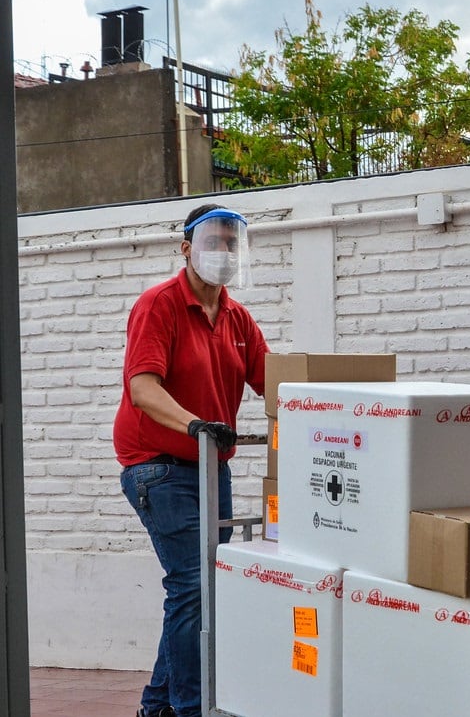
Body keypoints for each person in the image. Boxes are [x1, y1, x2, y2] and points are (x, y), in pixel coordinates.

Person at [114, 203, 270, 717]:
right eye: (213, 242)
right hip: (157, 464)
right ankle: (190, 708)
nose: (223, 252)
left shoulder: (237, 317)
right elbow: (142, 388)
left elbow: (275, 385)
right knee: (192, 585)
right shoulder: (158, 305)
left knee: (200, 589)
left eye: (231, 243)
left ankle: (158, 707)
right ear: (187, 249)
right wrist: (194, 423)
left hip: (210, 466)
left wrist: (332, 412)